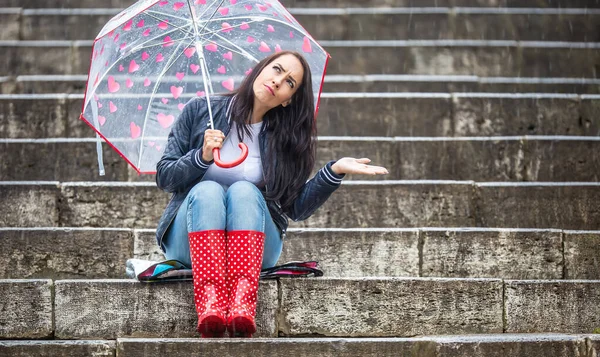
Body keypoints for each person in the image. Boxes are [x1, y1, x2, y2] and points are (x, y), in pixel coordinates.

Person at [155, 51, 388, 338]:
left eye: (289, 82)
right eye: (276, 69)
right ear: (259, 69)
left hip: (253, 249)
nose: (278, 81)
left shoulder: (285, 137)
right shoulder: (201, 110)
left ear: (289, 98)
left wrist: (335, 171)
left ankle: (242, 303)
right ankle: (210, 304)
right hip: (190, 242)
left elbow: (296, 208)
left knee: (243, 190)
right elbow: (165, 177)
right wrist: (200, 157)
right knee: (207, 190)